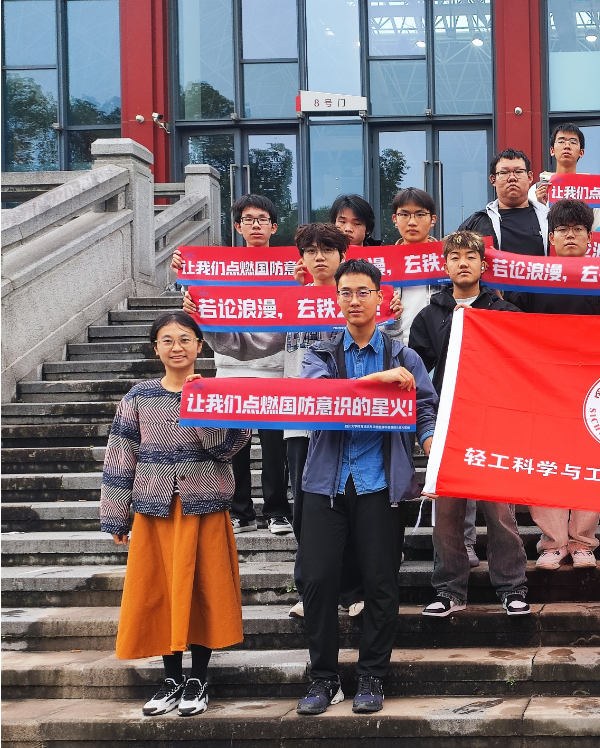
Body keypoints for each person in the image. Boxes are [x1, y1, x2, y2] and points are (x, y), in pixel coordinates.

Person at [182, 224, 398, 620]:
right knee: (305, 509)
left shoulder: (358, 300)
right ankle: (310, 590)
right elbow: (248, 345)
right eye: (310, 250)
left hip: (356, 422)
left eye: (327, 249)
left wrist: (393, 317)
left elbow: (387, 344)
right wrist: (205, 319)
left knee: (352, 505)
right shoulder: (291, 304)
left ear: (343, 256)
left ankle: (352, 590)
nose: (319, 257)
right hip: (301, 422)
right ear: (300, 259)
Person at [295, 258, 438, 716]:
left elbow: (425, 409)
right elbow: (318, 399)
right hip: (326, 484)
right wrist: (377, 381)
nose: (354, 300)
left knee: (380, 582)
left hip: (380, 484)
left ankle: (372, 674)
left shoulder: (404, 357)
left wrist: (432, 448)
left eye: (363, 291)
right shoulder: (319, 353)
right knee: (318, 581)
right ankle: (324, 678)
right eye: (346, 292)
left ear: (381, 297)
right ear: (335, 298)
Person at [101, 311, 250, 717]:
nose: (176, 347)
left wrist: (200, 402)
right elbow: (120, 455)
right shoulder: (138, 396)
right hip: (156, 509)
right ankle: (171, 679)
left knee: (203, 590)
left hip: (204, 506)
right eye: (167, 340)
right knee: (162, 591)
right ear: (155, 348)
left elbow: (226, 448)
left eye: (185, 339)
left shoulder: (218, 393)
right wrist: (116, 514)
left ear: (200, 345)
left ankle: (198, 679)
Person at [501, 200, 600, 570]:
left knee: (591, 463)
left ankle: (583, 541)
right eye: (562, 230)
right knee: (545, 463)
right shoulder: (532, 277)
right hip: (542, 384)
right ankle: (552, 542)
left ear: (590, 238)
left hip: (593, 385)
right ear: (552, 238)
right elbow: (512, 323)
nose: (570, 235)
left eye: (577, 229)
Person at [408, 230, 529, 616]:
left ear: (483, 264)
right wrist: (426, 429)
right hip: (448, 424)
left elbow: (523, 367)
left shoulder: (504, 312)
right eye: (455, 256)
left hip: (495, 423)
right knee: (446, 515)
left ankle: (512, 587)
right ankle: (449, 590)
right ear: (444, 265)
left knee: (501, 513)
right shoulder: (429, 316)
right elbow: (418, 374)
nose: (463, 263)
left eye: (470, 256)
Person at [172, 194, 286, 535]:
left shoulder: (289, 268)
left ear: (274, 227)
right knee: (234, 445)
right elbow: (200, 302)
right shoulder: (221, 269)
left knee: (274, 447)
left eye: (262, 219)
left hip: (277, 368)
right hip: (231, 367)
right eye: (248, 219)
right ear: (237, 227)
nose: (255, 225)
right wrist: (187, 274)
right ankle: (241, 512)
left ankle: (277, 511)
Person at [458, 148, 549, 256]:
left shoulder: (549, 219)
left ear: (530, 177)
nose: (512, 178)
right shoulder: (475, 224)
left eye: (518, 172)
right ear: (493, 179)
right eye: (504, 172)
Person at [388, 187, 442, 334]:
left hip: (437, 342)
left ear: (433, 220)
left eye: (420, 215)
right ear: (395, 219)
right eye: (404, 215)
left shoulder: (447, 259)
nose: (412, 222)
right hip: (395, 342)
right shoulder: (384, 262)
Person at [531, 123, 600, 227]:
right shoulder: (537, 190)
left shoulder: (592, 191)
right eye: (561, 141)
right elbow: (533, 228)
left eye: (573, 142)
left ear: (581, 152)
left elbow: (596, 229)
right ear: (552, 150)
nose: (567, 146)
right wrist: (540, 205)